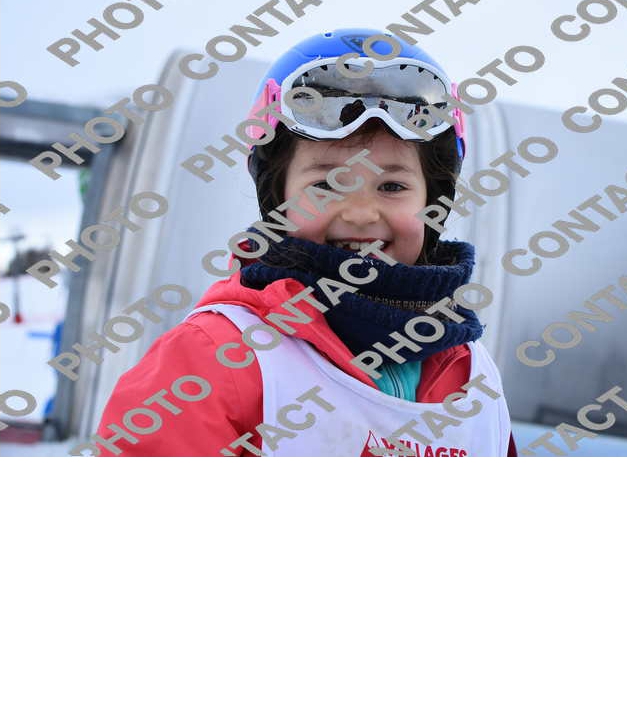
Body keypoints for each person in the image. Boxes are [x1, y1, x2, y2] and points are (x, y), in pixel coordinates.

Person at [94, 29, 516, 456]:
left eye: (391, 186)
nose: (360, 213)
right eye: (326, 185)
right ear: (277, 197)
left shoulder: (471, 375)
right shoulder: (214, 358)